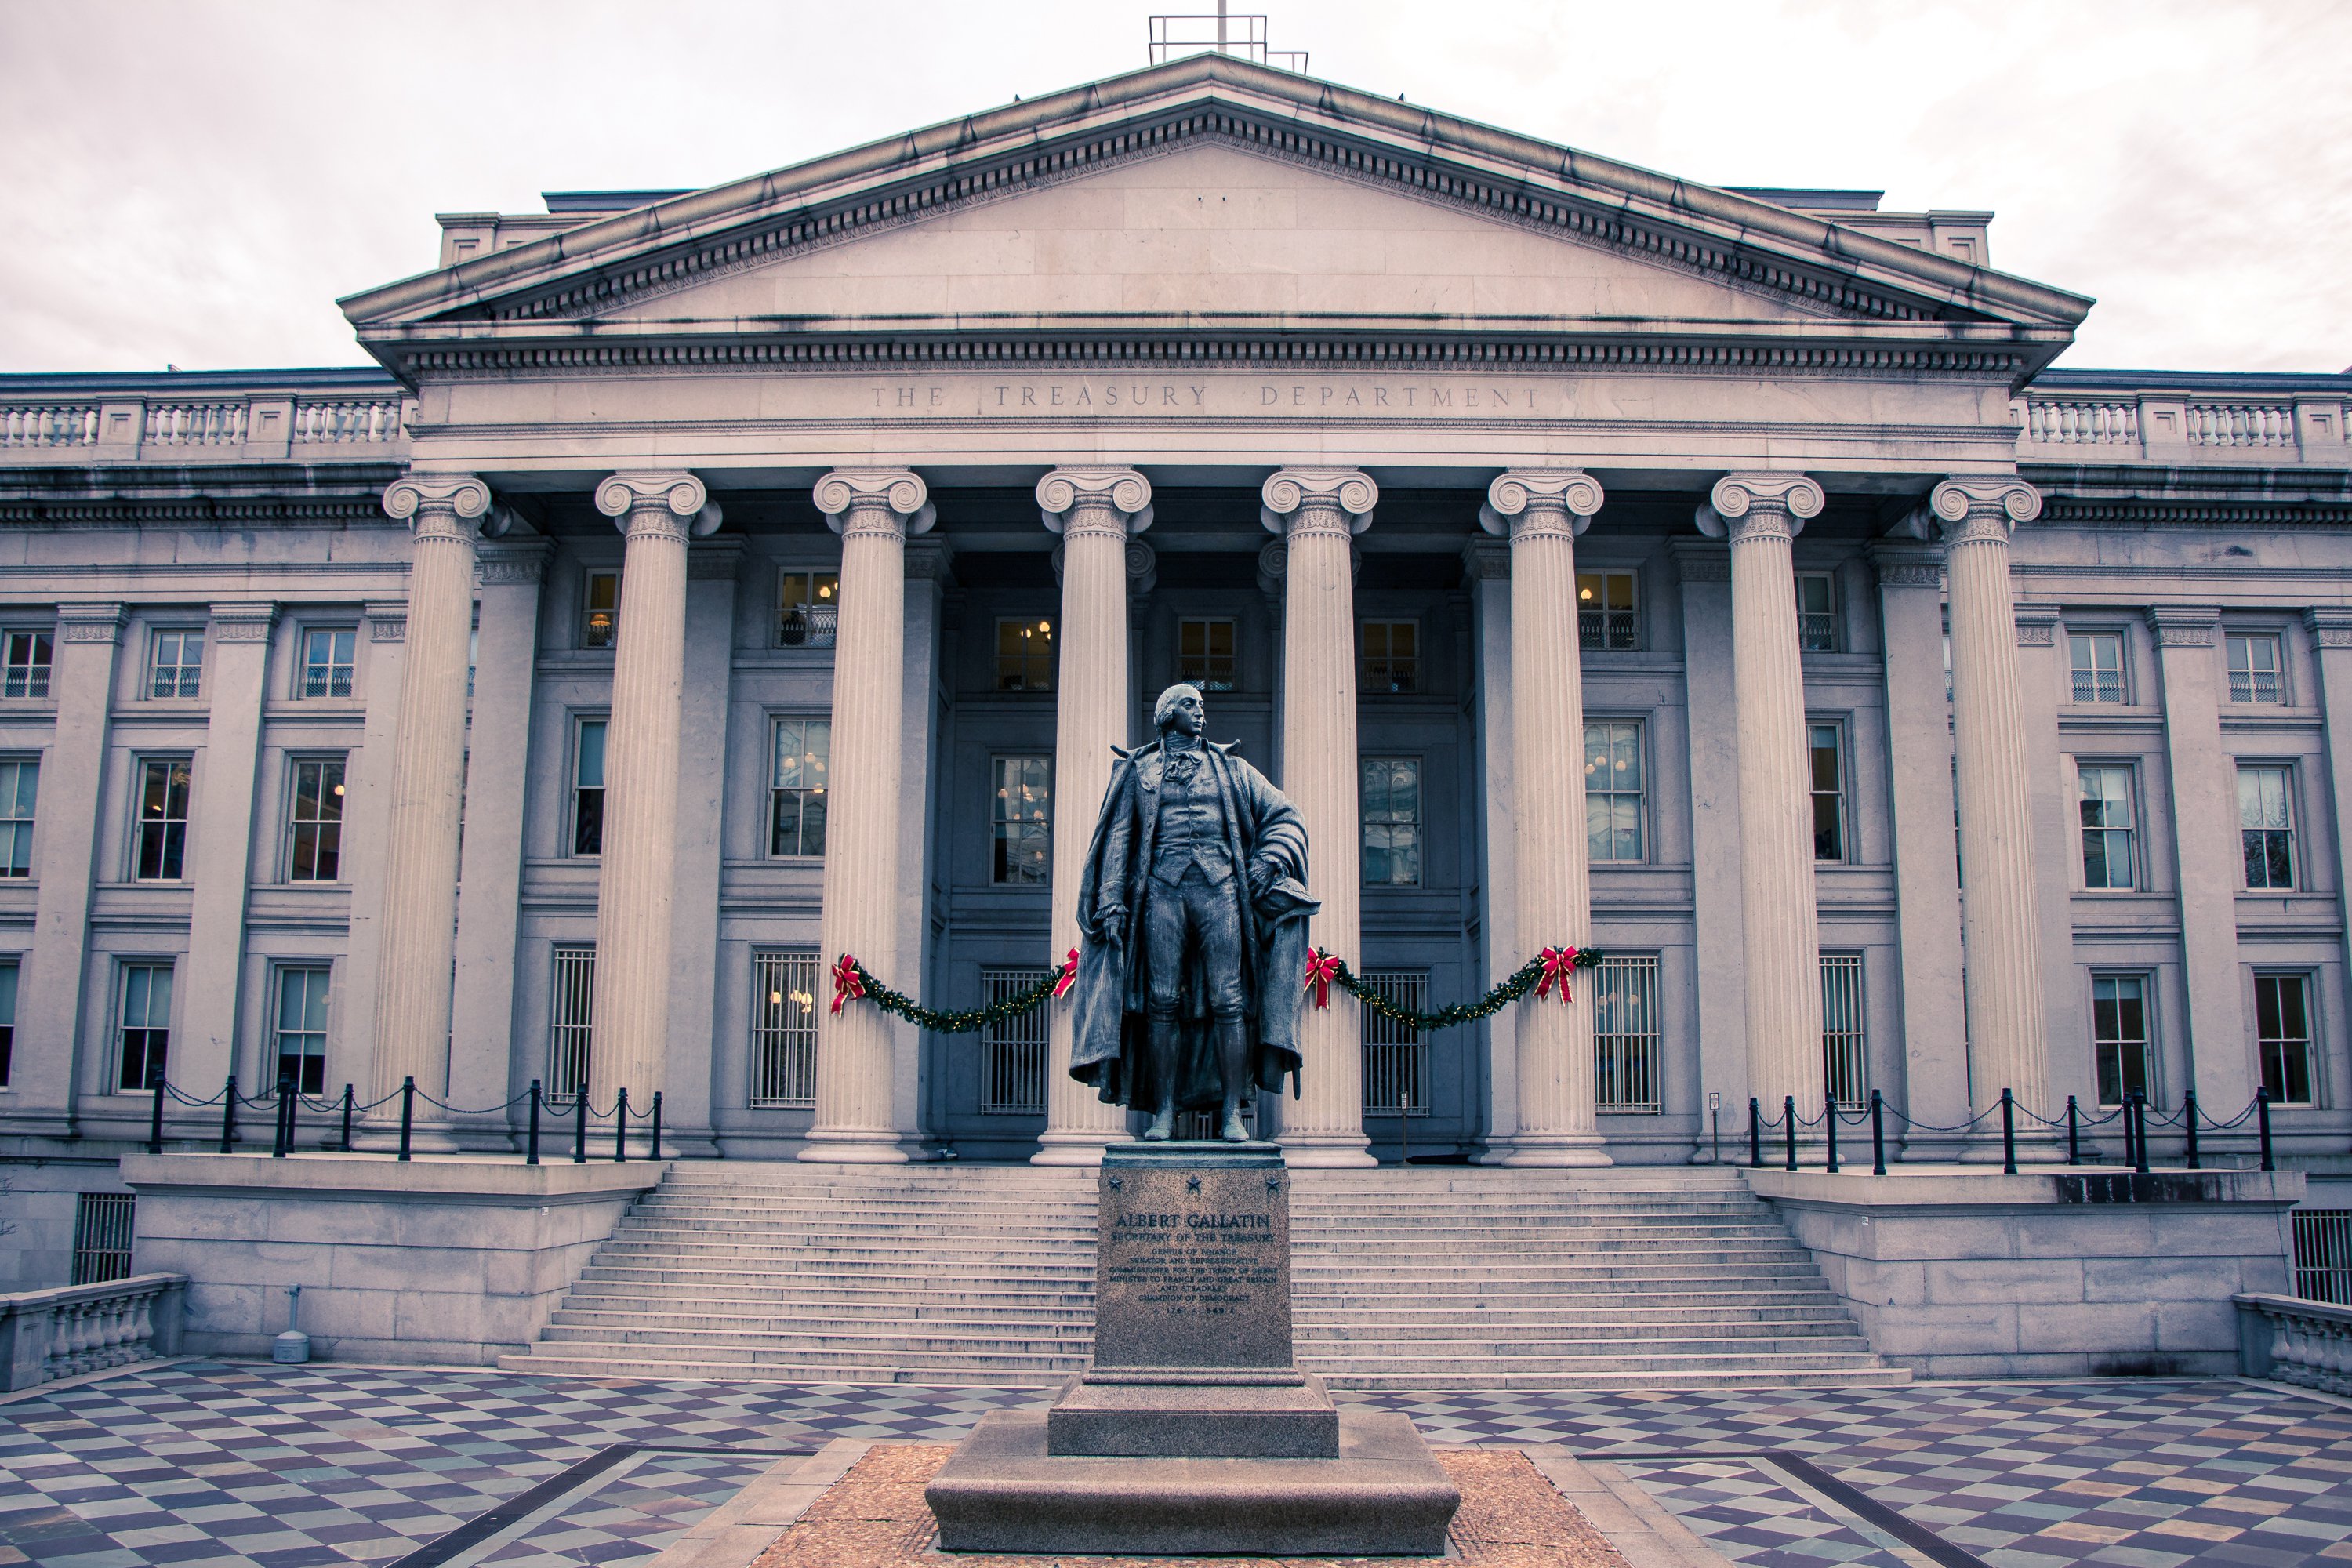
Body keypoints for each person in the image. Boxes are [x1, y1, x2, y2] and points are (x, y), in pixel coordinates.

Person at [1065, 684, 1317, 1141]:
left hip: (1221, 890)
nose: (1201, 712)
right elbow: (1120, 838)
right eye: (1190, 705)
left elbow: (1286, 816)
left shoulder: (1233, 770)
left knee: (1230, 1000)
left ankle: (1231, 1114)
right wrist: (1110, 898)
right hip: (1161, 891)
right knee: (1162, 1000)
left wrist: (1268, 859)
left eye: (1202, 706)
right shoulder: (1136, 770)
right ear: (1166, 713)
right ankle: (1163, 1112)